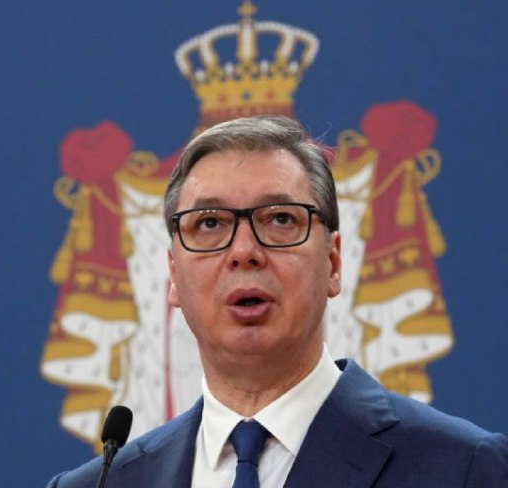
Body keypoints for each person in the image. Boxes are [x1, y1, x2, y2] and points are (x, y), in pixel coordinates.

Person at [46, 116, 508, 487]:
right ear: (173, 276)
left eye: (281, 219)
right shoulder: (102, 483)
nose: (244, 251)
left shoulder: (462, 467)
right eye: (209, 224)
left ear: (333, 263)